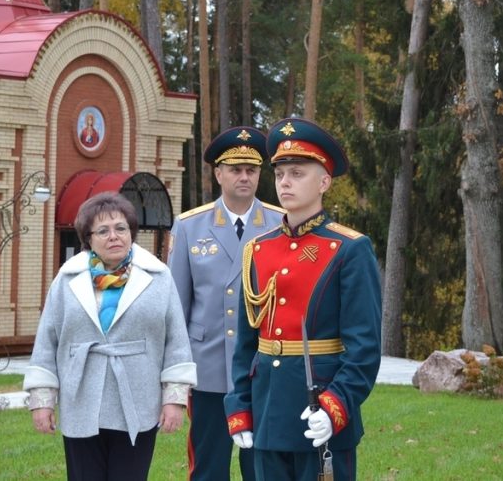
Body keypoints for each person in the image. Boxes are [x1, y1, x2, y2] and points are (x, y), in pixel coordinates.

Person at [225, 118, 382, 481]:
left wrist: (334, 407)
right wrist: (240, 407)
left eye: (297, 173)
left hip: (319, 409)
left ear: (324, 182)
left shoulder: (349, 249)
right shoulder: (258, 250)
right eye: (280, 174)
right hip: (267, 410)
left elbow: (364, 349)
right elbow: (246, 345)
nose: (285, 182)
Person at [24, 192, 197, 480]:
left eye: (121, 228)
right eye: (103, 230)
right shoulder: (67, 280)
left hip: (137, 401)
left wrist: (174, 399)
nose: (113, 236)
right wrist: (42, 399)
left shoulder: (158, 277)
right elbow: (47, 342)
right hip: (81, 400)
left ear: (131, 233)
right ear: (88, 238)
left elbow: (177, 343)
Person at [168, 126, 285, 481]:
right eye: (235, 169)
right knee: (208, 469)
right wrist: (177, 371)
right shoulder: (190, 226)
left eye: (251, 170)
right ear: (218, 174)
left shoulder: (280, 224)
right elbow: (177, 307)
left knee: (263, 468)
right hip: (209, 371)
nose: (244, 177)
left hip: (263, 367)